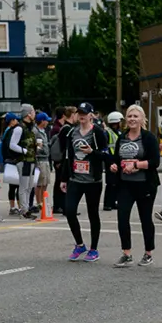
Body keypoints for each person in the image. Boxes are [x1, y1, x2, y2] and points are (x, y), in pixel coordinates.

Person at [107, 104, 159, 265]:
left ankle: (148, 253)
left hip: (145, 184)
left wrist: (136, 165)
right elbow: (116, 158)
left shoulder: (148, 138)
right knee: (122, 218)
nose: (132, 119)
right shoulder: (122, 137)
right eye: (129, 116)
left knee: (145, 219)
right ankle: (126, 253)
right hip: (125, 185)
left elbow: (154, 162)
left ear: (142, 119)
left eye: (135, 116)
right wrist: (114, 166)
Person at [63, 106, 106, 262]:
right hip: (75, 179)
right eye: (79, 114)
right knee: (69, 210)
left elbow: (105, 155)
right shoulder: (71, 133)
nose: (81, 116)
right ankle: (79, 244)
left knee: (93, 213)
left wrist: (91, 152)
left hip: (93, 180)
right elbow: (67, 156)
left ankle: (94, 249)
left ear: (91, 115)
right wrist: (63, 178)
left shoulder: (98, 133)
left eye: (84, 114)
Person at [4, 107, 40, 220]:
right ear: (28, 114)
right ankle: (24, 210)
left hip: (31, 160)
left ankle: (27, 208)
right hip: (23, 161)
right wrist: (24, 151)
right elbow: (12, 144)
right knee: (24, 186)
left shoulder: (30, 128)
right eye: (33, 112)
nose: (34, 114)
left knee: (30, 186)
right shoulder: (19, 128)